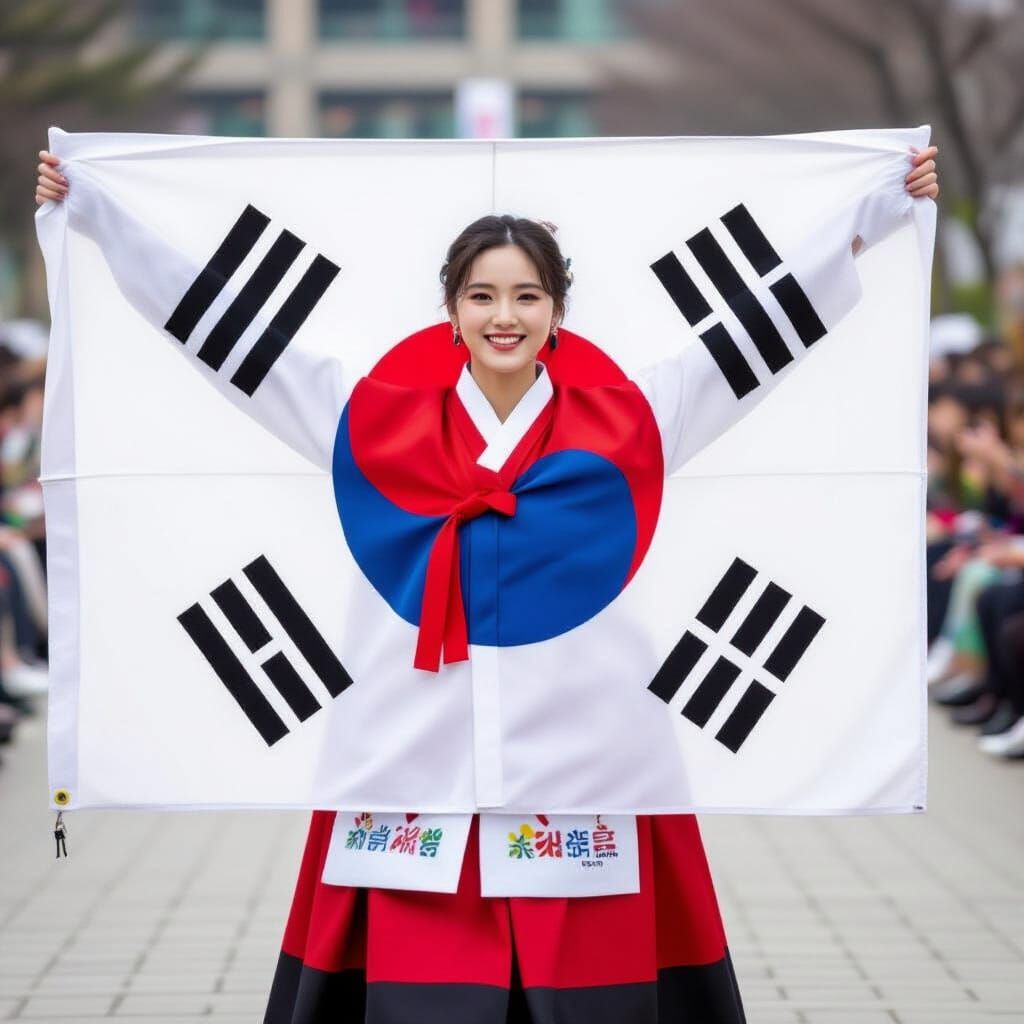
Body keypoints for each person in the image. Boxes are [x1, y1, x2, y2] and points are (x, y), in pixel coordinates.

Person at [36, 143, 940, 1024]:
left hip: (588, 761)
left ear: (558, 310)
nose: (503, 316)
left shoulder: (632, 422)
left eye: (526, 296)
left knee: (596, 983)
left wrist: (869, 214)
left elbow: (750, 342)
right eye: (482, 296)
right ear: (450, 307)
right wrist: (106, 215)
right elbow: (236, 341)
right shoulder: (372, 423)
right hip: (411, 751)